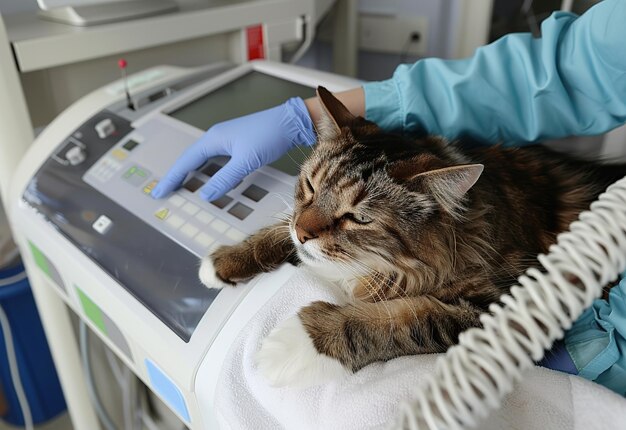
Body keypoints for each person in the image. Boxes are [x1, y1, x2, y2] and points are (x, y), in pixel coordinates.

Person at [152, 0, 626, 395]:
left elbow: (483, 316)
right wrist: (309, 116)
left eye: (354, 218)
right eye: (310, 187)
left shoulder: (475, 244)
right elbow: (558, 72)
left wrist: (347, 335)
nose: (305, 226)